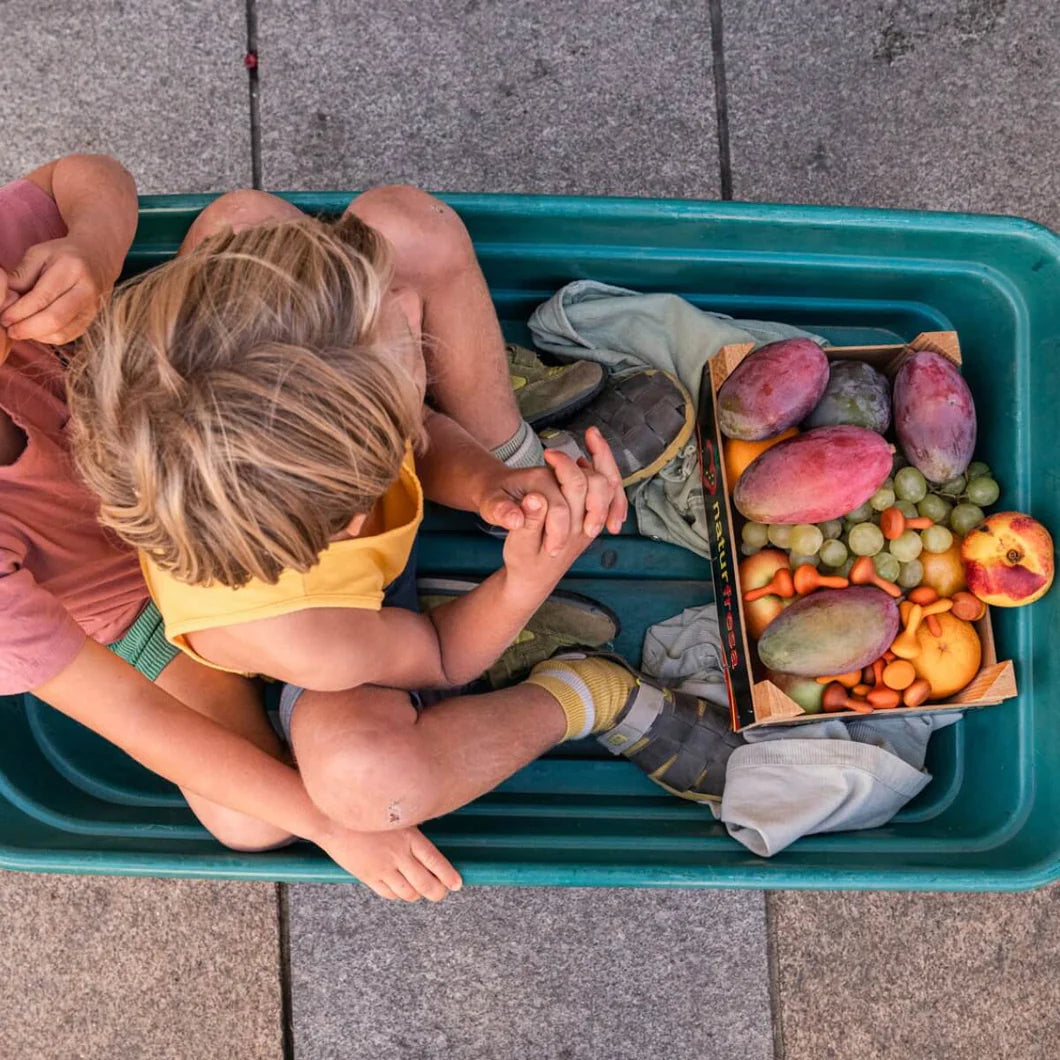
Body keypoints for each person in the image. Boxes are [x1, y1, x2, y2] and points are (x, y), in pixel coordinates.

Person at [69, 186, 741, 842]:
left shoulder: (295, 432)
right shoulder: (303, 638)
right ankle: (587, 690)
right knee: (369, 781)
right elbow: (444, 655)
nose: (413, 304)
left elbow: (402, 432)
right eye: (410, 342)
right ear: (361, 509)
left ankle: (517, 449)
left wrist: (498, 483)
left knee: (259, 219)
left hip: (315, 515)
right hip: (347, 630)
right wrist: (527, 580)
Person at [0, 158, 466, 902]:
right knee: (247, 823)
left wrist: (90, 247)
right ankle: (398, 399)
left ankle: (418, 406)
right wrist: (332, 826)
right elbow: (129, 713)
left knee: (244, 219)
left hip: (187, 415)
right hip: (132, 605)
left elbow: (81, 178)